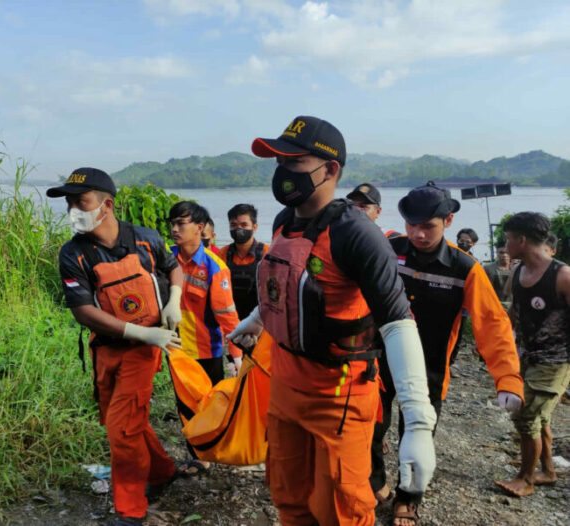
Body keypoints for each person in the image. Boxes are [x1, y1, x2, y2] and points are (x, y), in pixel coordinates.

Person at [228, 115, 437, 526]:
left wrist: (417, 418)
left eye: (295, 162)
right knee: (289, 495)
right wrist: (255, 318)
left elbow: (397, 321)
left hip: (338, 391)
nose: (283, 173)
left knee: (341, 508)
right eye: (278, 162)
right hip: (285, 382)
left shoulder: (356, 235)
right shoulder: (284, 221)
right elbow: (287, 286)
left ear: (331, 169)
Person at [372, 181, 523, 525]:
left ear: (448, 222)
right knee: (368, 428)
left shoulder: (464, 267)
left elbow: (493, 325)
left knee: (417, 432)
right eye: (412, 225)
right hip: (378, 359)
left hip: (430, 366)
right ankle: (375, 485)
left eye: (428, 226)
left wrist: (508, 378)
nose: (418, 234)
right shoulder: (387, 249)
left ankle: (408, 498)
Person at [47, 168, 182, 526]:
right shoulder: (73, 254)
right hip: (107, 347)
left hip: (144, 351)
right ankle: (163, 471)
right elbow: (84, 311)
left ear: (107, 205)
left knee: (121, 428)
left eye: (81, 202)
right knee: (119, 419)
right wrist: (138, 333)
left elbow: (173, 267)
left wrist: (176, 300)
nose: (73, 210)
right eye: (69, 204)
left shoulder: (145, 239)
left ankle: (130, 510)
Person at [495, 213, 570, 497]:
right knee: (542, 418)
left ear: (522, 240)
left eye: (509, 238)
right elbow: (514, 311)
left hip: (556, 362)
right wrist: (500, 343)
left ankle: (525, 479)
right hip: (526, 357)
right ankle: (547, 471)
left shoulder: (562, 276)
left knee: (527, 416)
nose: (506, 244)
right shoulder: (517, 272)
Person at [168, 201, 243, 474]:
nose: (174, 229)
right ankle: (199, 456)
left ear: (199, 228)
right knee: (184, 405)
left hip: (206, 349)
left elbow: (227, 317)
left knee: (208, 403)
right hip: (175, 350)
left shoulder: (214, 267)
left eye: (181, 224)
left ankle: (213, 449)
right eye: (172, 224)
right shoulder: (165, 258)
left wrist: (236, 356)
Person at [218, 203, 269, 320]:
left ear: (254, 227)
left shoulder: (266, 253)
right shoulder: (223, 254)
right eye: (234, 225)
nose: (238, 229)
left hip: (258, 318)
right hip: (230, 316)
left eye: (244, 224)